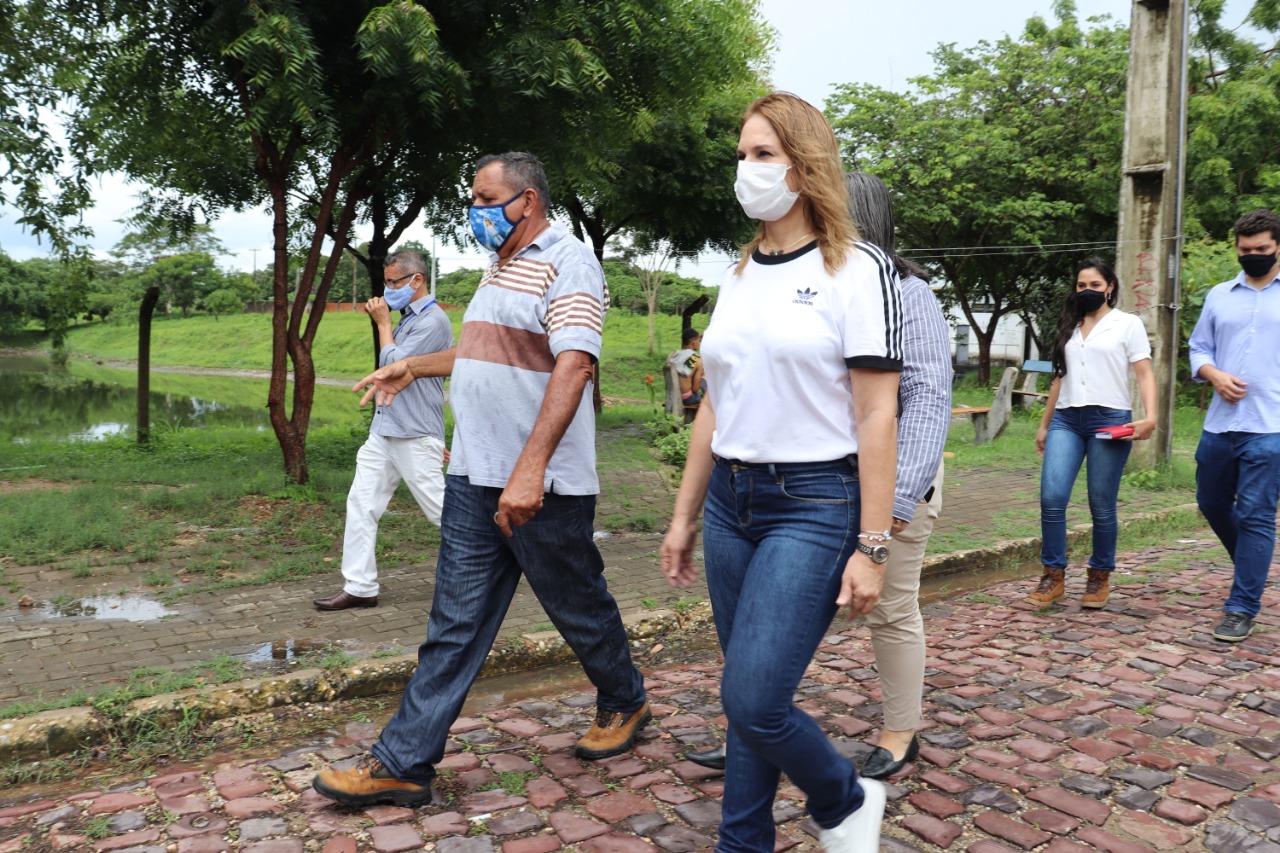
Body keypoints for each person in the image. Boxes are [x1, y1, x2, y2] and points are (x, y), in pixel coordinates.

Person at [313, 151, 649, 807]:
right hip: (472, 474)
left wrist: (531, 468)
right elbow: (481, 349)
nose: (475, 211)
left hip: (541, 486)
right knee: (454, 623)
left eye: (486, 198)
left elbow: (574, 364)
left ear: (528, 200)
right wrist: (412, 369)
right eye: (472, 198)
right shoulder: (500, 267)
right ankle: (402, 761)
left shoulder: (569, 261)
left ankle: (626, 699)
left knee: (577, 605)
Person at [661, 93, 901, 853]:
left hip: (815, 502)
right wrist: (684, 513)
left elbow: (876, 415)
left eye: (763, 155)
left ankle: (842, 793)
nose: (747, 169)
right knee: (745, 698)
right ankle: (744, 842)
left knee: (755, 696)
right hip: (734, 500)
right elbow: (713, 406)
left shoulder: (854, 270)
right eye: (742, 155)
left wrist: (872, 544)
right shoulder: (737, 273)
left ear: (806, 165)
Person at [682, 173, 951, 786]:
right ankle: (749, 729)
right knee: (759, 631)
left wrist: (894, 508)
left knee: (891, 608)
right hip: (808, 483)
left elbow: (927, 401)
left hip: (890, 481)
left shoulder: (906, 293)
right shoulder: (782, 277)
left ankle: (899, 729)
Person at [313, 251, 451, 611]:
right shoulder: (408, 319)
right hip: (386, 429)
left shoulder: (433, 322)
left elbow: (393, 366)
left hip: (415, 432)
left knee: (445, 512)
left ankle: (501, 565)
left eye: (394, 282)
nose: (387, 290)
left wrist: (383, 324)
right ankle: (360, 587)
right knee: (361, 504)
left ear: (416, 281)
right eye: (386, 282)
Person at [1028, 257, 1155, 610]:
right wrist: (1044, 423)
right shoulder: (1070, 324)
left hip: (1109, 420)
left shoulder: (1127, 324)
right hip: (1067, 420)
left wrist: (1151, 417)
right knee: (1052, 499)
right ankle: (1053, 576)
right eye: (1082, 286)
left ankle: (1099, 578)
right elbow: (1059, 377)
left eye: (1095, 286)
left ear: (1110, 287)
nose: (1087, 291)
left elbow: (1144, 373)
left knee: (1101, 504)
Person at [1189, 208, 1280, 642]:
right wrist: (1213, 374)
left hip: (1271, 427)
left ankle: (1241, 607)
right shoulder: (1219, 296)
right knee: (1210, 501)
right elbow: (1198, 348)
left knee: (1258, 515)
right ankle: (1251, 563)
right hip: (1220, 424)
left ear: (1277, 246)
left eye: (1261, 249)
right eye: (1246, 250)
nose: (1253, 255)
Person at [672, 326, 707, 407]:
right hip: (688, 399)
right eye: (699, 341)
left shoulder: (673, 355)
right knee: (705, 376)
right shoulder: (695, 359)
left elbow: (684, 369)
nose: (699, 343)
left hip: (673, 396)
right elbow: (695, 389)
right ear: (693, 343)